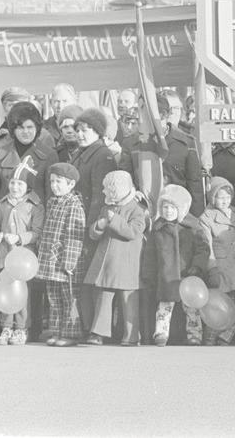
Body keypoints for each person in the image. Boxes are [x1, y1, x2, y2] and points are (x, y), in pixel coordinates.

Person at [0, 101, 59, 342]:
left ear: (37, 128)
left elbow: (50, 192)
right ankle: (0, 325)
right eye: (20, 127)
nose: (26, 131)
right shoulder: (2, 153)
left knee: (31, 278)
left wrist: (46, 227)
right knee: (3, 274)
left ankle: (29, 327)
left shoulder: (48, 154)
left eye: (30, 127)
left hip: (33, 225)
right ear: (12, 129)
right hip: (5, 224)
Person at [142, 185, 220, 347]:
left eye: (172, 207)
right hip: (166, 275)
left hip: (188, 276)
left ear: (182, 209)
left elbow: (203, 248)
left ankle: (194, 335)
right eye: (165, 207)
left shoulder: (192, 227)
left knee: (192, 308)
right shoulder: (158, 229)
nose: (168, 211)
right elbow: (150, 254)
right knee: (164, 306)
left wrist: (197, 266)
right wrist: (148, 274)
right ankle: (161, 333)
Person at [69, 108, 119, 337]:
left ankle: (95, 331)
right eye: (77, 130)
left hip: (91, 228)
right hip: (80, 224)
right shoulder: (82, 154)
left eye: (85, 130)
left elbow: (101, 196)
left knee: (93, 280)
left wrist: (91, 228)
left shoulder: (101, 155)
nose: (79, 134)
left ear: (97, 132)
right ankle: (87, 328)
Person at [83, 171, 145, 346]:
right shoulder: (106, 207)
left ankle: (132, 336)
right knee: (103, 295)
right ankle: (98, 333)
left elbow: (133, 231)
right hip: (108, 262)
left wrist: (114, 219)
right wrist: (99, 226)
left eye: (109, 189)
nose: (105, 193)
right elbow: (94, 234)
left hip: (126, 262)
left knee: (128, 298)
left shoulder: (136, 209)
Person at [0, 157, 45, 345]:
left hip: (23, 260)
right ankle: (5, 328)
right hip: (5, 256)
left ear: (28, 186)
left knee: (22, 295)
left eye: (20, 183)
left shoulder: (35, 206)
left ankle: (21, 329)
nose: (15, 187)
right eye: (12, 182)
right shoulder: (3, 204)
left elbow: (37, 232)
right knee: (5, 291)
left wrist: (19, 238)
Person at [120, 94, 205, 217]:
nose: (142, 119)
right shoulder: (131, 143)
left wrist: (196, 218)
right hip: (142, 213)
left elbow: (194, 184)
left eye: (146, 115)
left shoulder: (186, 143)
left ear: (163, 115)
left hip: (175, 214)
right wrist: (131, 191)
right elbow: (124, 176)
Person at [36, 163, 86, 347]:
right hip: (51, 261)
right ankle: (56, 332)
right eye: (52, 181)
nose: (54, 185)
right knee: (53, 299)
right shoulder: (52, 202)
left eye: (59, 182)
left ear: (71, 184)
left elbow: (75, 236)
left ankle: (71, 334)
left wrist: (69, 262)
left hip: (66, 264)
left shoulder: (74, 205)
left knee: (70, 299)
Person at [198, 177, 235, 346]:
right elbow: (207, 244)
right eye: (220, 197)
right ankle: (210, 337)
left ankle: (226, 337)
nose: (225, 201)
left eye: (228, 197)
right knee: (218, 304)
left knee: (234, 304)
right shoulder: (207, 217)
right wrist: (211, 267)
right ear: (213, 198)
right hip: (221, 266)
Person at [0, 89, 55, 153]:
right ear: (4, 108)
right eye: (11, 105)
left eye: (20, 104)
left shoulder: (43, 136)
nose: (16, 109)